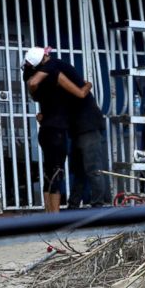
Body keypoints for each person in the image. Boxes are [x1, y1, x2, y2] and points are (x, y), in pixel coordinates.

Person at [23, 47, 111, 207]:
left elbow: (80, 94)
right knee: (77, 168)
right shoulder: (48, 75)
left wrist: (87, 86)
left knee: (92, 167)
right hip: (72, 124)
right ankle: (74, 203)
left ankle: (98, 204)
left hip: (87, 122)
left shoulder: (52, 66)